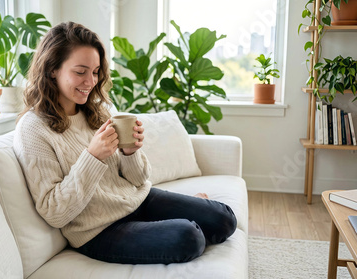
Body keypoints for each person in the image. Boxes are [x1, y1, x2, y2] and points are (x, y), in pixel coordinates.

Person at [13, 21, 237, 265]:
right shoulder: (33, 129)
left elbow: (139, 180)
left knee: (224, 218)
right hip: (99, 231)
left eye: (96, 71)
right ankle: (170, 225)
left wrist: (130, 153)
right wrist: (93, 157)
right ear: (52, 69)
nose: (90, 81)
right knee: (189, 237)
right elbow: (54, 212)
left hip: (137, 201)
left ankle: (168, 221)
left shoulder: (99, 113)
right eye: (80, 72)